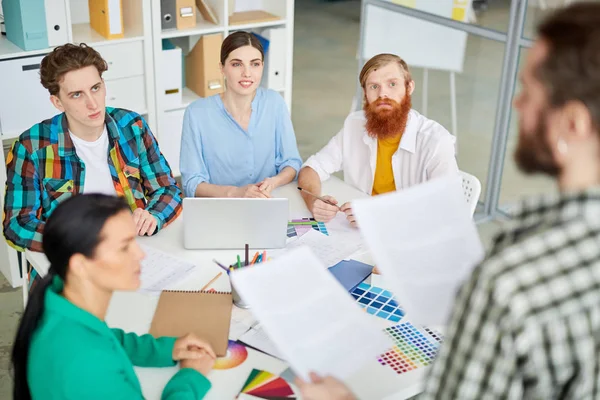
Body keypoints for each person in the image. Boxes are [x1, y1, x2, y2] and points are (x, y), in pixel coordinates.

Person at [294, 2, 600, 399]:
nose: (515, 103)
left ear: (573, 123)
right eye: (373, 86)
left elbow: (444, 214)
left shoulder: (510, 281)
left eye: (527, 90)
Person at [11, 194, 215, 399]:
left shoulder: (59, 302)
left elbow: (105, 336)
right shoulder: (85, 366)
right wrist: (190, 377)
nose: (140, 254)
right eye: (124, 247)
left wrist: (164, 349)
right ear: (80, 265)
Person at [3, 43, 182, 254]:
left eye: (95, 88)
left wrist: (153, 215)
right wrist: (76, 239)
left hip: (132, 249)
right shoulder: (31, 147)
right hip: (73, 258)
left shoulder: (132, 126)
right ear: (57, 102)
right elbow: (17, 225)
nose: (93, 104)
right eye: (77, 94)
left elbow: (168, 189)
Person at [297, 53, 459, 227]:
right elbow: (311, 169)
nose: (383, 94)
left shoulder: (435, 141)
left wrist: (376, 215)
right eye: (374, 86)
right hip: (356, 233)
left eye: (392, 84)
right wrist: (314, 201)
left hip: (410, 233)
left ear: (409, 87)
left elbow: (446, 208)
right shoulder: (355, 125)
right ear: (365, 93)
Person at [180, 31, 302, 199]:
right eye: (237, 64)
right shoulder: (197, 114)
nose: (247, 73)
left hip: (268, 201)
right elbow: (191, 183)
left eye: (255, 64)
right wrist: (236, 193)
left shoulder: (275, 103)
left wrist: (273, 182)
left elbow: (292, 162)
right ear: (222, 68)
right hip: (221, 208)